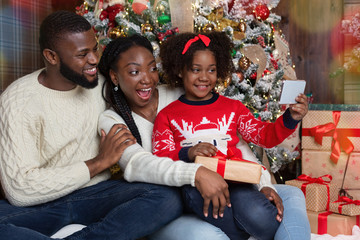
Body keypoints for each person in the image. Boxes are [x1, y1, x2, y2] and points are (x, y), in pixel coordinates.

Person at [98, 34, 311, 240]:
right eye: (196, 69)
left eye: (211, 70)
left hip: (237, 181)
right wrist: (188, 152)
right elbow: (160, 156)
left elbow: (263, 135)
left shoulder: (232, 108)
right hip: (193, 189)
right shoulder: (167, 115)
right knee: (214, 215)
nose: (203, 77)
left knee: (264, 215)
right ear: (181, 71)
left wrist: (290, 118)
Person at [0, 10, 183, 240]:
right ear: (52, 56)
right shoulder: (18, 101)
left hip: (97, 195)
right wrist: (98, 163)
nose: (94, 59)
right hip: (40, 205)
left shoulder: (104, 84)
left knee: (167, 198)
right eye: (82, 54)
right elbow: (19, 189)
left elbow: (149, 93)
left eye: (95, 48)